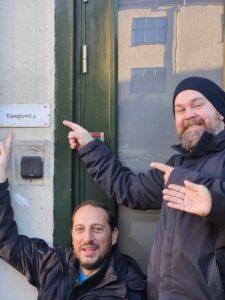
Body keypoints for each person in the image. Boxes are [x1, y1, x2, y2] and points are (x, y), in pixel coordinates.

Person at [63, 76, 225, 300]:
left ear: (221, 112)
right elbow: (128, 188)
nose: (189, 115)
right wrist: (90, 147)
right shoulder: (175, 167)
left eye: (198, 105)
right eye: (180, 110)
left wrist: (214, 201)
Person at [0, 134, 147, 299]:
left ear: (113, 236)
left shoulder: (129, 287)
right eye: (80, 229)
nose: (87, 238)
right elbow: (6, 242)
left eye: (97, 229)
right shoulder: (52, 264)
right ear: (72, 234)